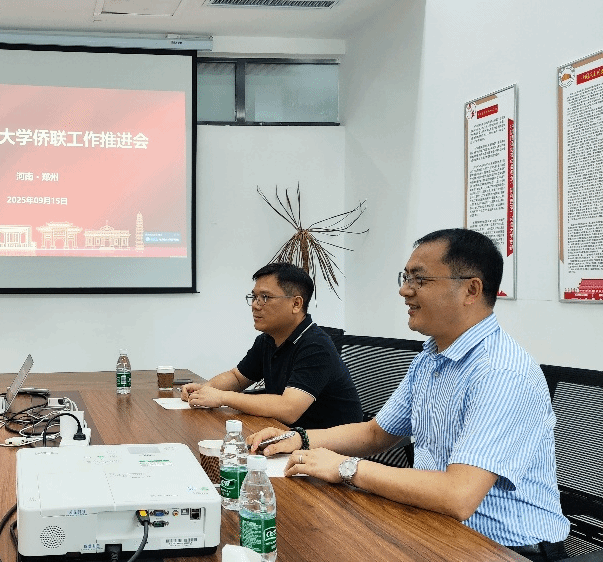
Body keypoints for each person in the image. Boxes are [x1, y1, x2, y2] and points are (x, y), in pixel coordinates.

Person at [248, 229, 569, 561]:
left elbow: (458, 495)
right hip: (435, 527)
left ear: (471, 290)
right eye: (405, 278)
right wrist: (299, 438)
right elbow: (376, 433)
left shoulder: (501, 372)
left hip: (504, 549)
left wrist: (346, 467)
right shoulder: (431, 357)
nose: (404, 290)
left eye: (420, 280)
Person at [181, 262, 362, 429]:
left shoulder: (316, 346)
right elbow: (237, 377)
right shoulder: (268, 339)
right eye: (254, 297)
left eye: (265, 297)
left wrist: (222, 397)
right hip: (286, 434)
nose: (255, 305)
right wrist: (205, 390)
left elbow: (288, 409)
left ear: (296, 304)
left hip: (328, 446)